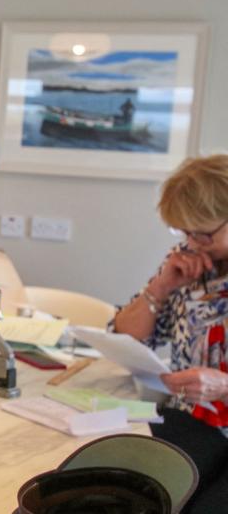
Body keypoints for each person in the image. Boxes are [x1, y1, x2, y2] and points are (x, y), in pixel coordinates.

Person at [113, 154, 228, 513]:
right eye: (184, 232)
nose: (192, 243)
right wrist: (161, 287)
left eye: (203, 233)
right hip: (188, 420)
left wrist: (224, 386)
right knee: (117, 487)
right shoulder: (192, 262)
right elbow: (129, 338)